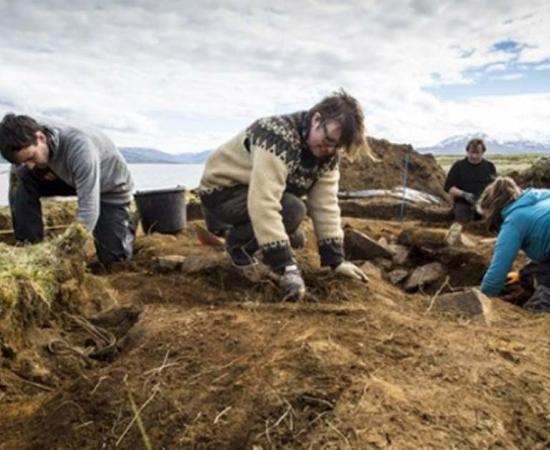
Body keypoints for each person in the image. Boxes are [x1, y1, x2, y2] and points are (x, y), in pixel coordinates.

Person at [199, 90, 369, 301]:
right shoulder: (277, 135)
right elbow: (264, 201)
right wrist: (286, 267)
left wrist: (336, 261)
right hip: (221, 192)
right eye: (328, 139)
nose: (329, 149)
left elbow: (326, 204)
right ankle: (238, 247)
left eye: (337, 146)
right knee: (293, 209)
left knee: (294, 231)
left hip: (249, 192)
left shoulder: (328, 155)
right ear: (317, 119)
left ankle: (247, 237)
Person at [0, 113, 135, 265]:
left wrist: (65, 251)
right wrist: (43, 168)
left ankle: (121, 233)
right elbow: (24, 161)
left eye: (31, 157)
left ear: (41, 138)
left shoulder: (81, 149)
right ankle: (30, 246)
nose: (30, 165)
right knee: (20, 174)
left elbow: (89, 210)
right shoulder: (23, 133)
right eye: (24, 161)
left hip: (109, 187)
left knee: (114, 260)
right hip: (66, 177)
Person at [478, 176, 550, 313]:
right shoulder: (541, 195)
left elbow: (498, 269)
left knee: (536, 311)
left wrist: (481, 298)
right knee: (533, 270)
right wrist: (522, 274)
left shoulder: (514, 220)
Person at [444, 138, 497, 223]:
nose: (474, 156)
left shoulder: (490, 166)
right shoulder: (458, 166)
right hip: (463, 204)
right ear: (467, 151)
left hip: (484, 204)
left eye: (477, 153)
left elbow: (495, 187)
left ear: (483, 152)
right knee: (463, 222)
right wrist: (464, 194)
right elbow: (448, 187)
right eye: (472, 152)